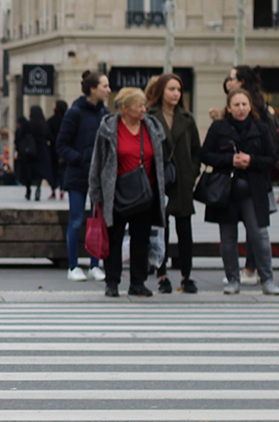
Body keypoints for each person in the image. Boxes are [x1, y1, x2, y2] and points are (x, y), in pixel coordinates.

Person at [87, 87, 166, 298]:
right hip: (116, 193)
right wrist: (96, 194)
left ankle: (137, 283)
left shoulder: (151, 127)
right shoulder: (109, 128)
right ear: (124, 108)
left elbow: (160, 159)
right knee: (114, 238)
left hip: (144, 193)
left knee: (141, 239)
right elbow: (98, 162)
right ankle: (112, 282)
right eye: (139, 106)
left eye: (144, 105)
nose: (144, 109)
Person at [200, 88, 279, 295]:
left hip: (253, 191)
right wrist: (229, 160)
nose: (241, 109)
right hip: (226, 192)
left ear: (250, 107)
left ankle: (267, 279)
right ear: (229, 107)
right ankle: (232, 279)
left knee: (259, 235)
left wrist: (251, 160)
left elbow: (271, 159)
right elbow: (205, 155)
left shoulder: (260, 129)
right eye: (236, 105)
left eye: (244, 104)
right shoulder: (219, 128)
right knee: (228, 238)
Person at [146, 73, 200, 294]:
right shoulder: (150, 116)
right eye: (171, 89)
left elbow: (197, 150)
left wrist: (192, 173)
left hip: (183, 180)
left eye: (178, 89)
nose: (176, 94)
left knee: (185, 229)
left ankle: (187, 276)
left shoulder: (187, 118)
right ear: (161, 91)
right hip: (159, 179)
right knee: (161, 229)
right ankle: (162, 274)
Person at [57, 70, 111, 282]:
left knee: (97, 220)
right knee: (77, 219)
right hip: (78, 174)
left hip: (98, 176)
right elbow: (61, 144)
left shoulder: (104, 113)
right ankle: (73, 266)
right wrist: (80, 159)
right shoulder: (75, 113)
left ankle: (95, 264)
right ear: (93, 88)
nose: (108, 90)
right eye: (105, 86)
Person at [16, 107, 52, 201]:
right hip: (41, 151)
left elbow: (19, 137)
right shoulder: (44, 125)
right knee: (39, 173)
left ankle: (28, 190)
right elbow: (50, 137)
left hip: (29, 152)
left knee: (28, 172)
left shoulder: (27, 125)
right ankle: (38, 189)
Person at [48, 100, 69, 200]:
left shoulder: (51, 120)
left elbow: (48, 134)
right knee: (63, 170)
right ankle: (62, 190)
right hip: (65, 148)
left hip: (53, 149)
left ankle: (53, 190)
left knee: (53, 170)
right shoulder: (67, 120)